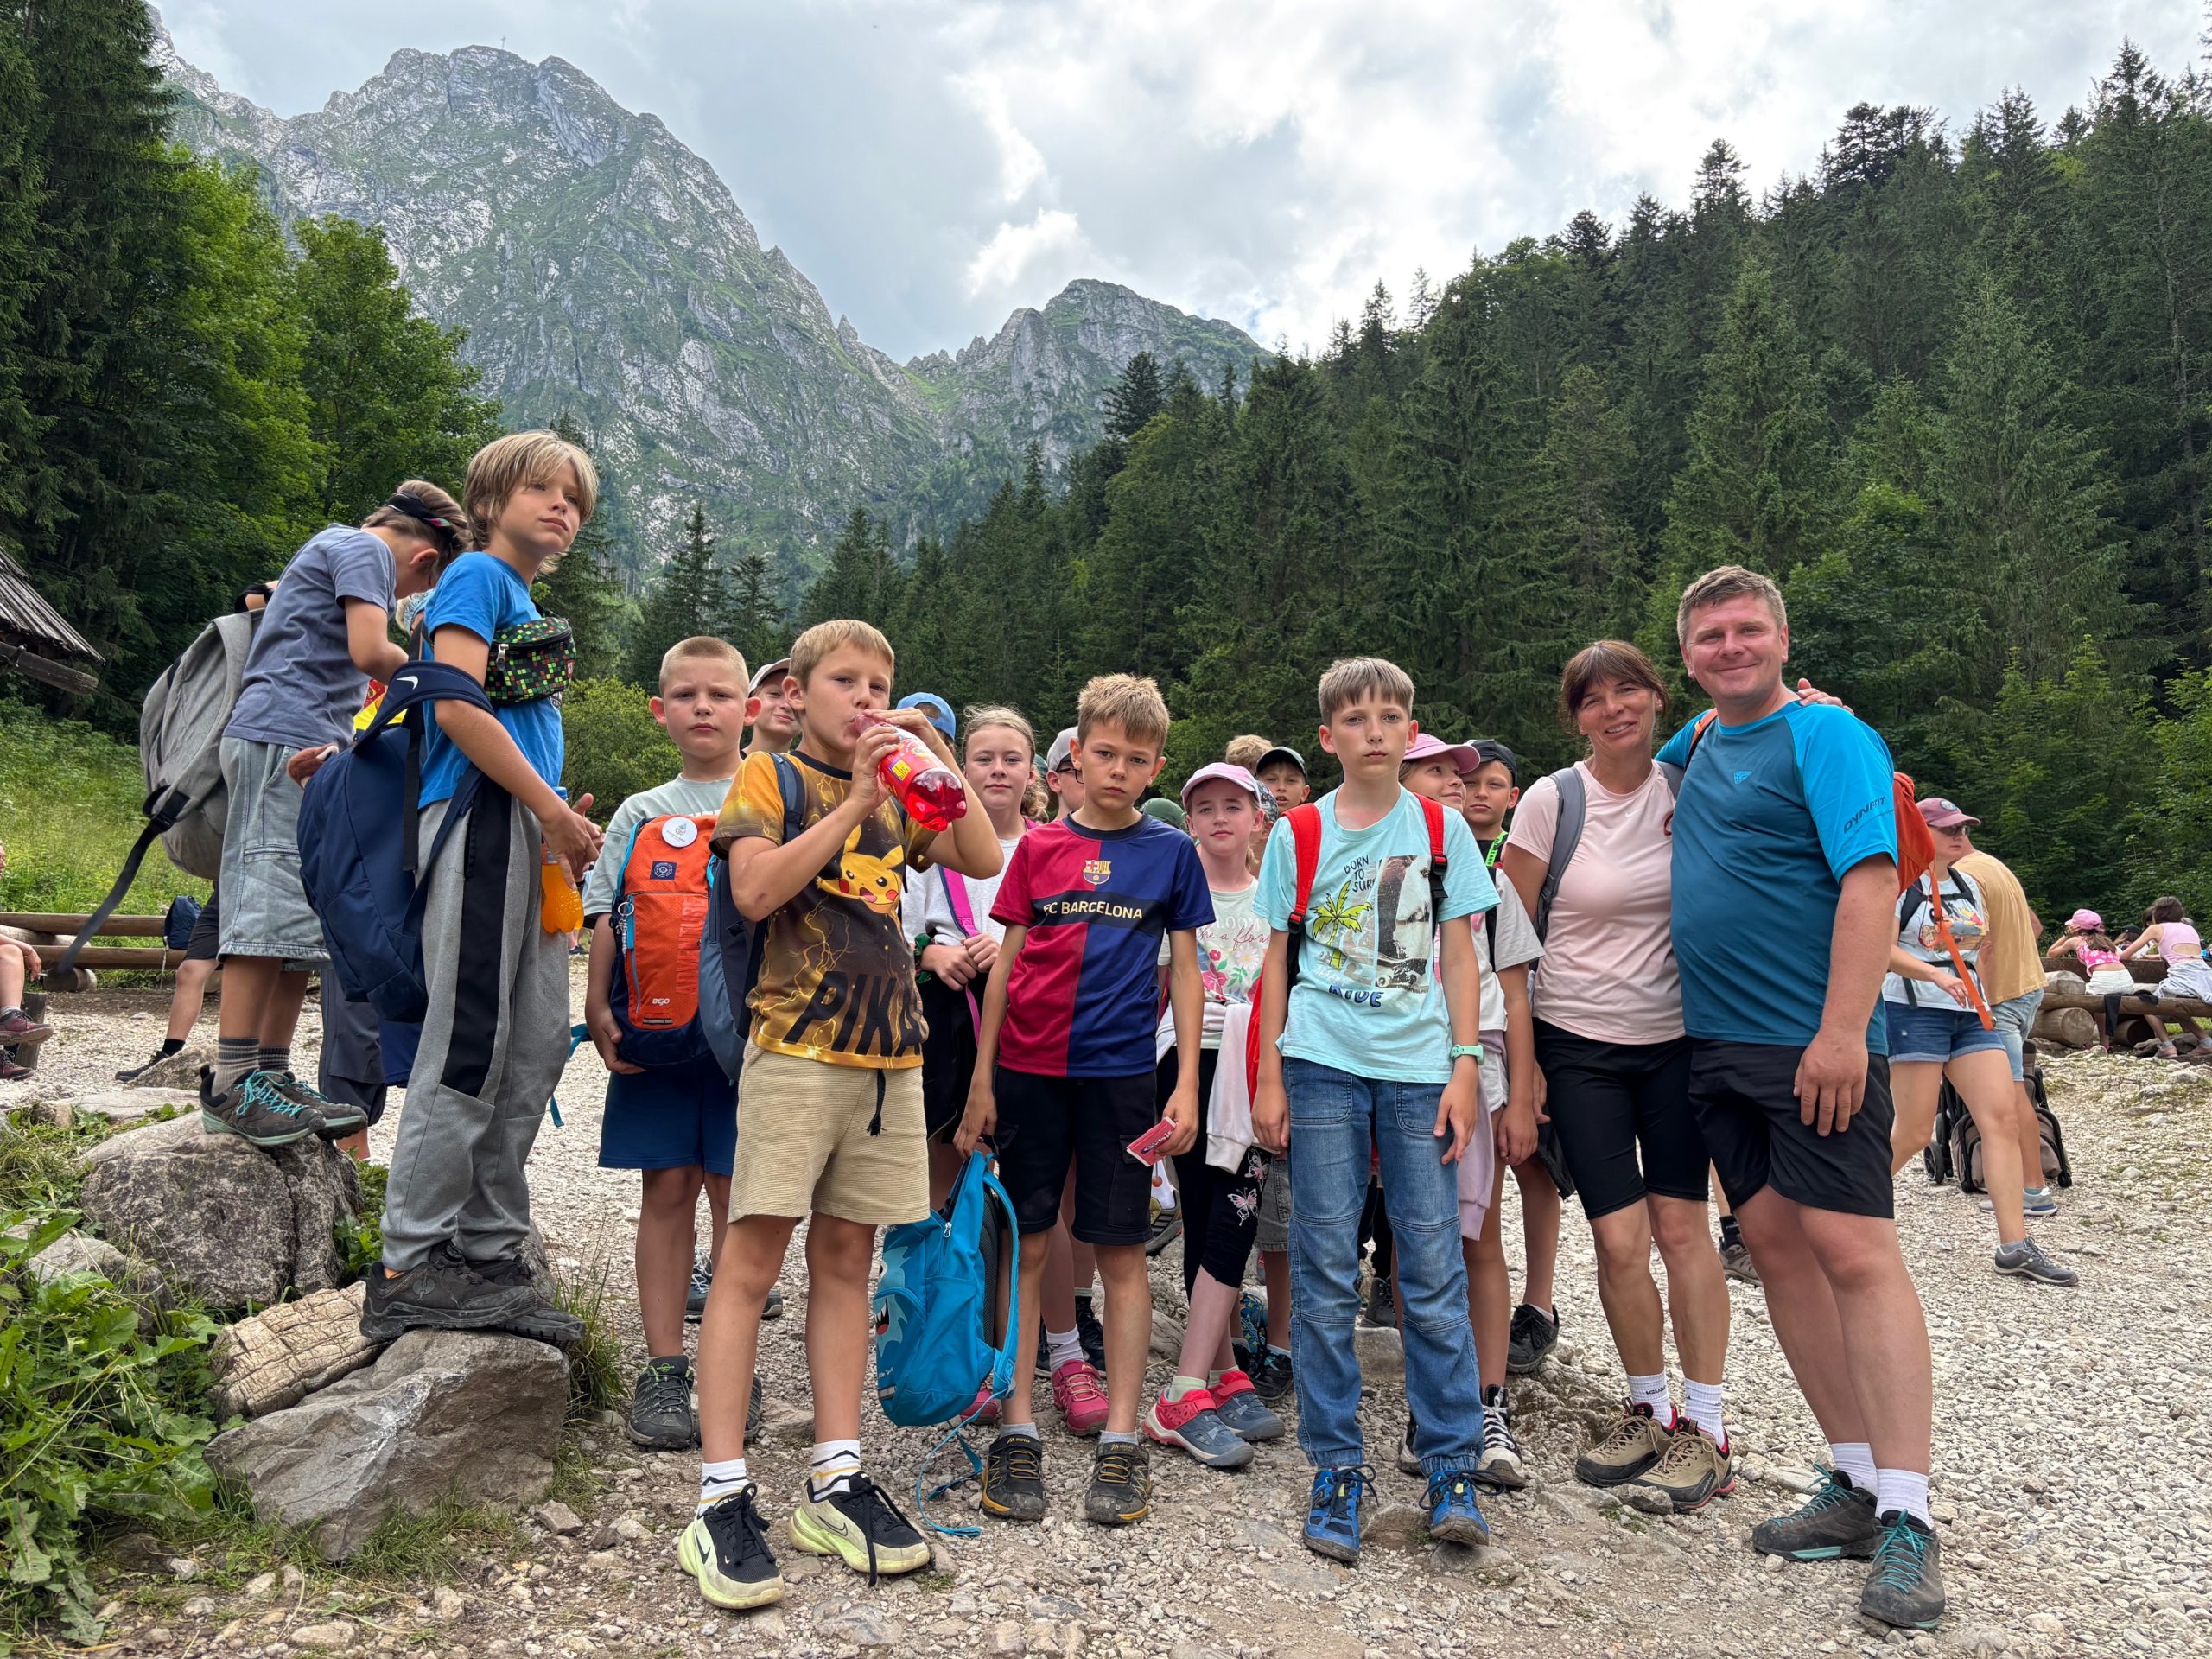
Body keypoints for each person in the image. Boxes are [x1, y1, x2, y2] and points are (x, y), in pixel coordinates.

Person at [679, 621, 1001, 1610]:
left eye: (879, 685)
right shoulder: (769, 777)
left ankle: (835, 1475)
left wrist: (932, 753)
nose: (865, 699)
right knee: (749, 1263)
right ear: (798, 691)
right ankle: (720, 1494)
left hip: (888, 1057)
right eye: (845, 682)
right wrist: (857, 799)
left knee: (848, 1263)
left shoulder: (903, 785)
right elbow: (754, 890)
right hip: (793, 1049)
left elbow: (983, 854)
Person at [1659, 564, 1942, 1630]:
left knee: (1856, 1253)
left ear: (1782, 640)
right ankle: (1855, 1481)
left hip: (1809, 1042)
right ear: (1688, 656)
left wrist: (1839, 1033)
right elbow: (1642, 759)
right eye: (1710, 637)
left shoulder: (1826, 736)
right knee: (1776, 1249)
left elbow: (1871, 878)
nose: (1729, 648)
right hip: (1720, 1046)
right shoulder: (1699, 743)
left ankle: (1910, 1514)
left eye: (1746, 631)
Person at [1250, 656, 1496, 1566]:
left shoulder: (1440, 826)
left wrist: (1466, 1066)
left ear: (1411, 729)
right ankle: (1337, 1466)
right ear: (1329, 737)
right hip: (1321, 1060)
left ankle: (1451, 1466)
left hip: (1420, 1067)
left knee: (1430, 1265)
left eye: (1390, 716)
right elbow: (1276, 959)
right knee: (1323, 1266)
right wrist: (1270, 1075)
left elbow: (1460, 955)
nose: (1375, 731)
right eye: (1355, 719)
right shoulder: (1300, 832)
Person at [364, 436, 607, 1349]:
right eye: (540, 489)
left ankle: (489, 1251)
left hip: (526, 835)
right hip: (484, 821)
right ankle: (409, 1265)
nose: (560, 507)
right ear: (491, 500)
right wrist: (548, 809)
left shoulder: (521, 598)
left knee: (534, 1044)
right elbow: (454, 704)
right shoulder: (476, 577)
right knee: (470, 1040)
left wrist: (557, 820)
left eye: (573, 498)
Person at [958, 673, 1211, 1529]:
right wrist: (982, 1080)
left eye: (1136, 759)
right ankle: (1018, 1425)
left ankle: (1124, 1438)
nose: (1118, 769)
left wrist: (1184, 1083)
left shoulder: (1170, 853)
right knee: (1028, 1245)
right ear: (1075, 755)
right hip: (1028, 1071)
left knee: (1121, 1252)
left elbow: (1185, 970)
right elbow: (1003, 969)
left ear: (1155, 767)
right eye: (1104, 753)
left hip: (1121, 1079)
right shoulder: (1036, 849)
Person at [1500, 641, 1736, 1516]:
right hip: (1578, 1047)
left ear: (1657, 697)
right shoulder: (1551, 801)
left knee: (1684, 1231)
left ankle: (1706, 1428)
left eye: (1629, 690)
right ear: (1576, 718)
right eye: (1593, 699)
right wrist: (1523, 1067)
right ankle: (1647, 1407)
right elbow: (1509, 941)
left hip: (1676, 1043)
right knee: (1618, 1239)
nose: (1614, 709)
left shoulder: (1690, 789)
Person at [205, 484, 464, 1147]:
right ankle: (233, 1081)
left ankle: (272, 1073)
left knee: (301, 916)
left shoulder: (343, 550)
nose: (404, 597)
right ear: (425, 558)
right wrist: (449, 683)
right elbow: (371, 652)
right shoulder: (361, 549)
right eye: (416, 590)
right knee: (268, 901)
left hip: (308, 742)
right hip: (279, 734)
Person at [582, 637, 754, 1452]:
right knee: (667, 1189)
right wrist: (596, 1001)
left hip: (752, 1041)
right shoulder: (641, 810)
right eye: (685, 695)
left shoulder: (774, 794)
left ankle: (730, 1363)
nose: (702, 708)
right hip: (657, 1028)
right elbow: (605, 910)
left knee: (735, 1195)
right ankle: (663, 1368)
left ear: (751, 709)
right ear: (659, 711)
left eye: (720, 695)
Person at [1395, 734, 1538, 1492]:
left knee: (1478, 1237)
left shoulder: (1492, 880)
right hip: (1394, 1063)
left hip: (1475, 1064)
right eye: (1438, 773)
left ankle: (1487, 1401)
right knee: (1413, 1238)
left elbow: (1514, 993)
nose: (1457, 784)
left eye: (1462, 775)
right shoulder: (1373, 864)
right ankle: (1427, 1401)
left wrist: (1521, 1091)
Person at [1142, 762, 1284, 1468]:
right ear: (1189, 820)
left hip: (1253, 1064)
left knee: (1231, 1213)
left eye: (1235, 804)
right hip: (1186, 1061)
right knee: (1214, 1209)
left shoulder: (1274, 896)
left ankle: (1215, 1372)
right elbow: (1158, 986)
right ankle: (1187, 1390)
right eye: (1205, 807)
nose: (1220, 817)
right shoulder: (1176, 891)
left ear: (1260, 818)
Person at [1879, 807, 2076, 1286]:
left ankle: (2015, 1245)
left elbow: (1978, 950)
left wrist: (1985, 997)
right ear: (1917, 831)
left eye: (1963, 828)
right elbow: (1880, 949)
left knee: (2001, 1119)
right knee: (1913, 1131)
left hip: (1971, 1014)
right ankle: (1844, 1210)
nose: (1959, 835)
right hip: (1913, 1011)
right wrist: (1933, 976)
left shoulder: (1969, 885)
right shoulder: (1895, 883)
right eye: (1948, 829)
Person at [1458, 739, 1575, 1374]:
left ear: (1513, 795)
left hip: (1530, 1022)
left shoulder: (1526, 855)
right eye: (1469, 782)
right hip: (1465, 1035)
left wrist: (1532, 1064)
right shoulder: (1435, 847)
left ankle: (1538, 1302)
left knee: (1532, 1163)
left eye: (1493, 784)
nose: (1479, 793)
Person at [1944, 807, 2061, 1215]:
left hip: (2001, 998)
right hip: (2028, 987)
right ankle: (2021, 1182)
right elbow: (2034, 926)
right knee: (2010, 1089)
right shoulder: (1994, 865)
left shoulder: (1964, 877)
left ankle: (2033, 1190)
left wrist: (1983, 1003)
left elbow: (1983, 945)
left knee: (2011, 1094)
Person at [116, 892, 222, 1083]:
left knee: (252, 973)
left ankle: (260, 1064)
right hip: (226, 894)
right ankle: (168, 1058)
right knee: (189, 971)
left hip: (266, 893)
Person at [2123, 895, 2212, 1056]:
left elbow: (2125, 955)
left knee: (2147, 1005)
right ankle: (2206, 1042)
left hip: (2182, 978)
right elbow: (2183, 954)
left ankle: (2167, 1046)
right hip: (2205, 977)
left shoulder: (2156, 928)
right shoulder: (2189, 929)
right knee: (2177, 1008)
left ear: (2157, 913)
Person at [2051, 912, 2137, 1050]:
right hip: (2126, 981)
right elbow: (2125, 956)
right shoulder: (2107, 942)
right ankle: (2105, 1043)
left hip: (2103, 981)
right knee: (2099, 1001)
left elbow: (2051, 953)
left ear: (2076, 928)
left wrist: (2066, 935)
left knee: (2087, 1000)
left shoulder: (2075, 941)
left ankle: (2087, 1040)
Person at [745, 658, 798, 756]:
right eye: (775, 694)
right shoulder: (720, 764)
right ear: (750, 706)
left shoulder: (812, 767)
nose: (787, 705)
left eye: (796, 696)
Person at [1255, 744, 1311, 814]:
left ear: (1304, 793)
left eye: (1291, 780)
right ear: (1256, 789)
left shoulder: (1319, 820)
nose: (1281, 787)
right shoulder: (1243, 820)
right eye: (1271, 779)